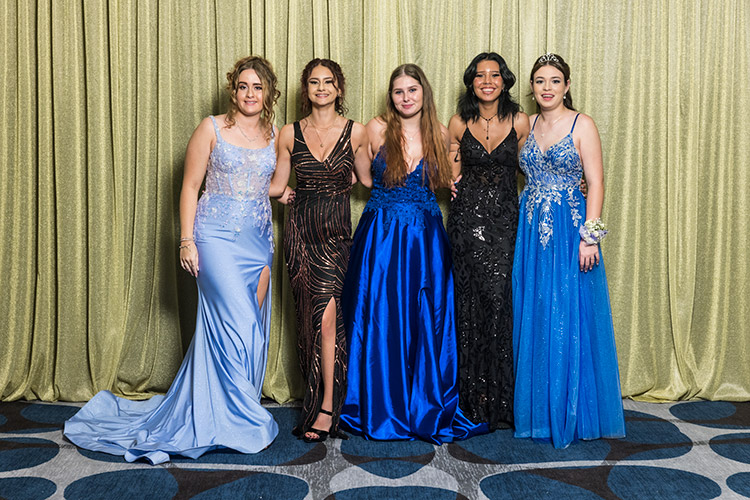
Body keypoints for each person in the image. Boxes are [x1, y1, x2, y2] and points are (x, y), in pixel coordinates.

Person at [64, 56, 287, 464]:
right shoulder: (212, 127)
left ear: (269, 91)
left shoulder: (276, 135)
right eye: (243, 86)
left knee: (250, 326)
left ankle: (227, 411)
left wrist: (281, 193)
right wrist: (186, 240)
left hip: (257, 241)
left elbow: (264, 182)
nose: (250, 94)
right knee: (236, 322)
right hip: (214, 237)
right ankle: (239, 420)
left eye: (258, 87)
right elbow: (190, 185)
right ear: (232, 90)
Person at [340, 64, 488, 444]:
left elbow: (449, 180)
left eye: (412, 90)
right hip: (382, 236)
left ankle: (421, 404)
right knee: (379, 317)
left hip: (424, 238)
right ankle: (378, 404)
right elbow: (367, 180)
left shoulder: (440, 133)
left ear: (425, 93)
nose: (405, 97)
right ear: (391, 96)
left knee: (426, 318)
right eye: (398, 91)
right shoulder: (374, 129)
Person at [512, 53, 625, 448]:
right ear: (531, 87)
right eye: (540, 81)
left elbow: (596, 183)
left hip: (569, 228)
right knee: (538, 309)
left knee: (568, 311)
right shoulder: (528, 125)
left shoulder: (583, 124)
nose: (547, 88)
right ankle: (539, 411)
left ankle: (571, 409)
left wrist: (589, 237)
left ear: (567, 86)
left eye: (555, 81)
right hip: (530, 230)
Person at [269, 59, 372, 443]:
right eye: (314, 82)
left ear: (339, 89)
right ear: (306, 89)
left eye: (329, 82)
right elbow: (276, 183)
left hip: (335, 237)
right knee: (310, 323)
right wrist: (282, 195)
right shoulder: (289, 133)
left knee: (329, 318)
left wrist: (415, 171)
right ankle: (316, 403)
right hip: (300, 236)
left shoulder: (356, 132)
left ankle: (328, 407)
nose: (322, 88)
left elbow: (366, 180)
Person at [447, 52, 529, 430]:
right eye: (480, 75)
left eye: (494, 75)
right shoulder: (459, 122)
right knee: (469, 306)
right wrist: (448, 180)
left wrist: (573, 180)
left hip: (505, 225)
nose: (487, 81)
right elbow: (452, 172)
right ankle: (472, 398)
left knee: (499, 304)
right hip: (466, 225)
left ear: (505, 80)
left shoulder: (520, 121)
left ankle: (500, 400)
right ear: (471, 82)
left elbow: (533, 167)